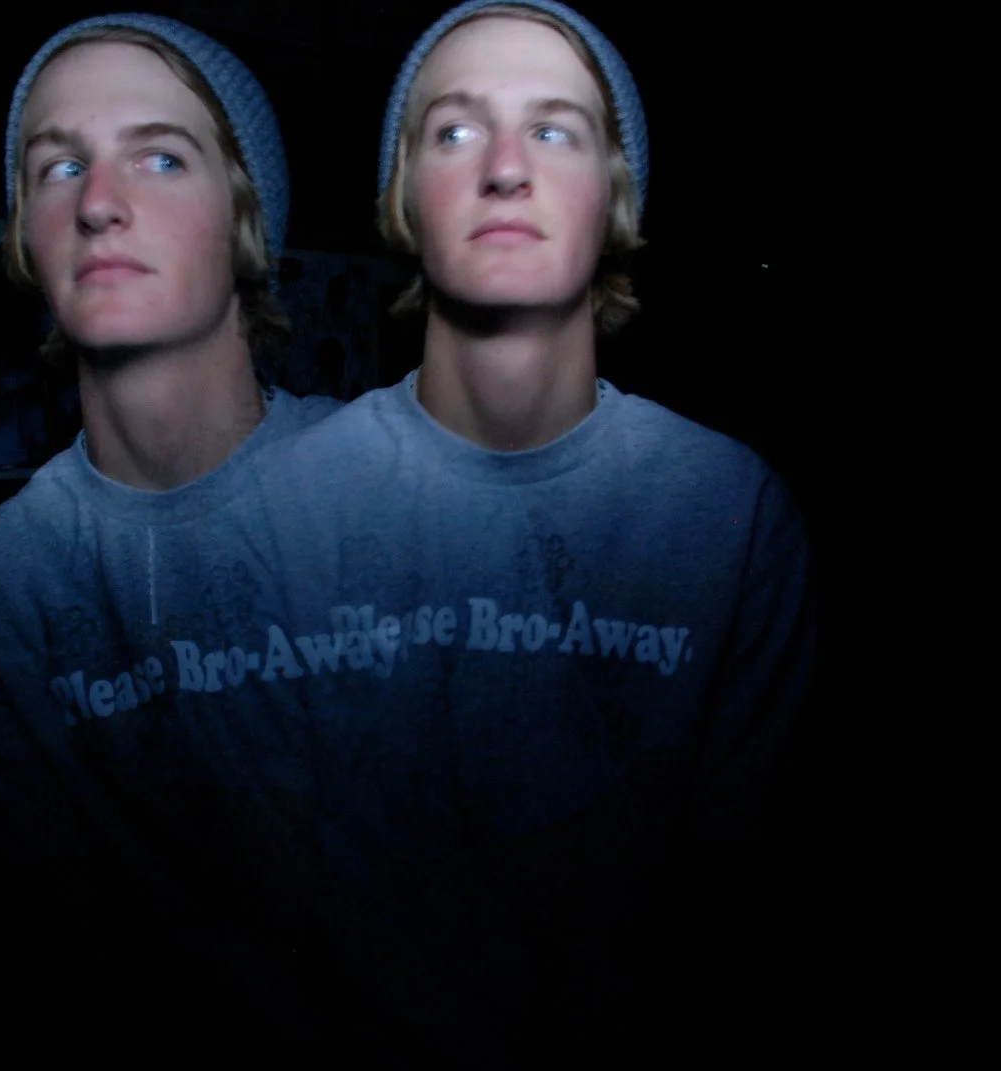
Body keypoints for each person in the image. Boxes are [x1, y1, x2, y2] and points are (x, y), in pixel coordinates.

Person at [227, 0, 819, 1062]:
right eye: (455, 130)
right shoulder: (274, 509)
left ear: (615, 198)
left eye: (554, 129)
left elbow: (743, 900)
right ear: (404, 196)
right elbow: (254, 897)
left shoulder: (732, 514)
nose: (505, 167)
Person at [0, 12, 340, 1023]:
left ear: (246, 222)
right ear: (26, 239)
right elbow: (71, 933)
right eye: (58, 168)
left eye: (159, 157)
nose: (99, 203)